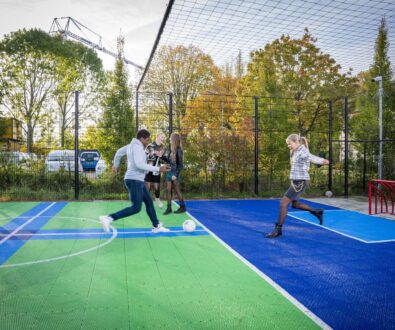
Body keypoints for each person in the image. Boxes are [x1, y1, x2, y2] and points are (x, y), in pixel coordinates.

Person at [99, 129, 170, 233]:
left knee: (149, 202)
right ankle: (109, 218)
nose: (148, 142)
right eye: (147, 139)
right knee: (136, 208)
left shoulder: (132, 146)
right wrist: (159, 169)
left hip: (137, 180)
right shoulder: (137, 147)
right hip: (134, 180)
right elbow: (139, 164)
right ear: (141, 138)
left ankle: (157, 225)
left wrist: (116, 165)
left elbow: (119, 152)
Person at [266, 134, 330, 238]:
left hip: (299, 182)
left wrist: (322, 161)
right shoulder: (294, 151)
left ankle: (278, 230)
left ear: (296, 142)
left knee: (283, 203)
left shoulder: (302, 151)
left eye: (290, 144)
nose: (288, 146)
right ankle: (316, 211)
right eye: (288, 144)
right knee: (294, 205)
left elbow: (311, 157)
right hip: (296, 181)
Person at [163, 132, 186, 215]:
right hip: (169, 172)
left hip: (174, 173)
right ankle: (169, 208)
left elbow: (180, 165)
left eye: (170, 138)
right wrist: (162, 156)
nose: (169, 139)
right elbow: (168, 161)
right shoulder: (171, 149)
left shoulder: (179, 150)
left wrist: (175, 175)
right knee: (168, 190)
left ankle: (182, 207)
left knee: (177, 190)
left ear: (174, 140)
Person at [144, 132, 166, 208]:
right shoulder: (150, 145)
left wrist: (161, 157)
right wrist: (154, 153)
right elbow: (145, 156)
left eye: (163, 137)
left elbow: (163, 159)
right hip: (149, 168)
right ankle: (147, 201)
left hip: (157, 170)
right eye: (162, 137)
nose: (162, 139)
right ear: (157, 136)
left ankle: (157, 198)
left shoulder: (163, 147)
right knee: (148, 187)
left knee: (157, 187)